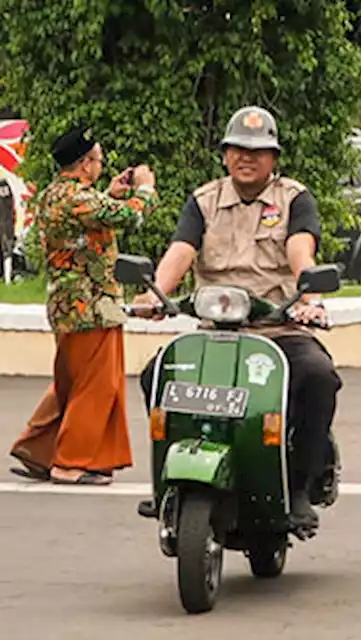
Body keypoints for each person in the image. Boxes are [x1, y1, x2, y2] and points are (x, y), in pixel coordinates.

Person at [132, 106, 340, 530]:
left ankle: (300, 484)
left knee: (318, 377)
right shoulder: (203, 201)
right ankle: (169, 482)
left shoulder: (294, 199)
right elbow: (181, 251)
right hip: (215, 333)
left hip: (276, 328)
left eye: (258, 150)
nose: (247, 157)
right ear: (225, 154)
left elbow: (302, 251)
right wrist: (154, 293)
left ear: (274, 157)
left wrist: (310, 295)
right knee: (156, 375)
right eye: (238, 149)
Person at [9, 127, 156, 486]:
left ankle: (38, 448)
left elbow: (85, 224)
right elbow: (131, 215)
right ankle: (70, 462)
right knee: (95, 386)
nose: (101, 167)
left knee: (70, 382)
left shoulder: (53, 195)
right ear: (85, 164)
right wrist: (145, 188)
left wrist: (109, 193)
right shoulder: (81, 199)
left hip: (66, 304)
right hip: (91, 304)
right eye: (99, 161)